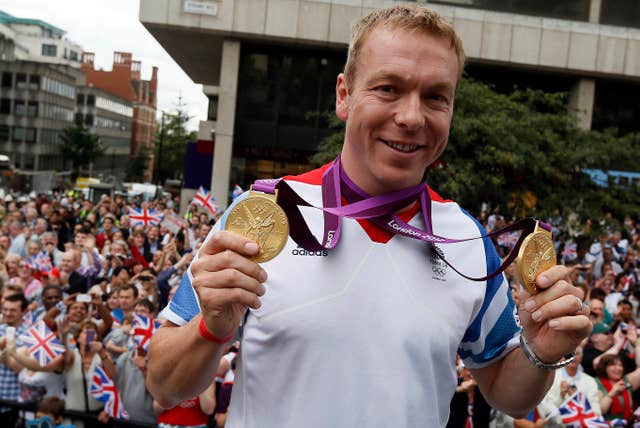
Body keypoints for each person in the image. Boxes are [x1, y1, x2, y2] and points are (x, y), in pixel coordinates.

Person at [147, 4, 591, 427]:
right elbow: (164, 386)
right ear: (344, 95)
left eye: (436, 97)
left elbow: (505, 391)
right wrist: (210, 329)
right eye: (388, 89)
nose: (412, 117)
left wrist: (539, 350)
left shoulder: (467, 240)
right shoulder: (264, 212)